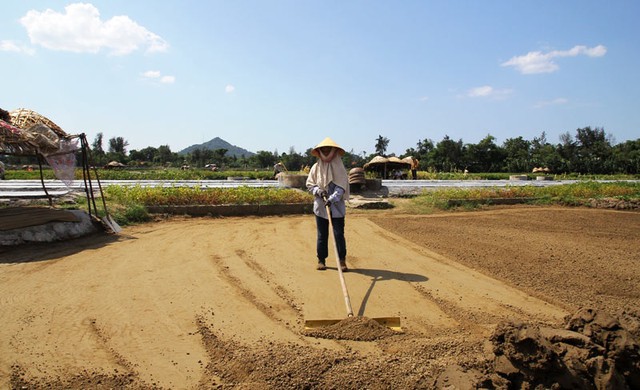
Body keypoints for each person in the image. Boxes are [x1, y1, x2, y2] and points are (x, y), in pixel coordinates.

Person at [306, 137, 350, 272]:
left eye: (328, 149)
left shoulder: (339, 167)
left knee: (338, 234)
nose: (325, 152)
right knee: (322, 234)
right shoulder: (315, 168)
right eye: (323, 150)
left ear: (333, 151)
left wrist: (331, 199)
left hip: (336, 206)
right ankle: (321, 259)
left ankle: (341, 260)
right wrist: (319, 191)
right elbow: (310, 184)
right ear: (319, 152)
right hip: (320, 206)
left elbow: (342, 186)